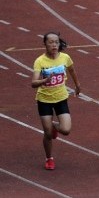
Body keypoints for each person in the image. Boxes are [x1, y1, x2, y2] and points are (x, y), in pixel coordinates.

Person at [31, 32, 81, 170]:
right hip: (44, 100)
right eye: (51, 42)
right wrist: (44, 80)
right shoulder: (40, 61)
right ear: (45, 44)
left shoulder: (65, 57)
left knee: (66, 130)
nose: (54, 45)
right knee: (47, 134)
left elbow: (72, 70)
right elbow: (33, 83)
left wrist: (77, 85)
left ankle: (53, 126)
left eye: (56, 42)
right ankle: (49, 158)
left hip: (61, 98)